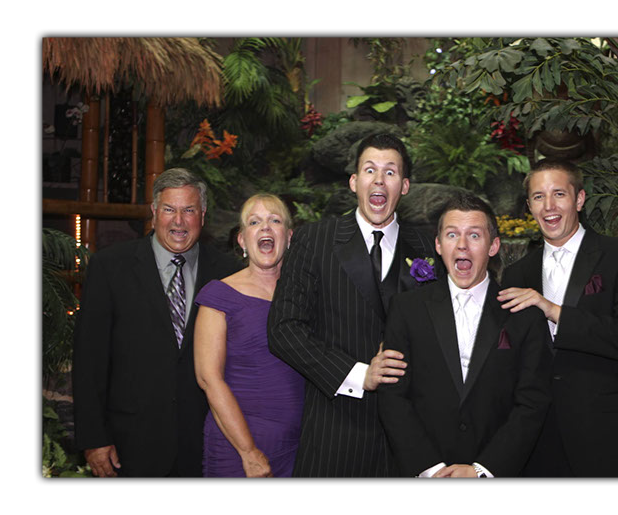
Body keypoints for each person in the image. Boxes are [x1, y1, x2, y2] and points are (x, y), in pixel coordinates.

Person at [267, 133, 442, 477]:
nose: (379, 180)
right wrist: (360, 375)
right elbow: (283, 330)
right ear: (353, 181)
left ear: (405, 186)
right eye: (370, 170)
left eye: (390, 172)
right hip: (335, 435)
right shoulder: (315, 239)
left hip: (408, 444)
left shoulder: (428, 246)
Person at [72, 168, 242, 477]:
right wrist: (94, 438)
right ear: (153, 212)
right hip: (130, 445)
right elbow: (89, 360)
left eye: (189, 210)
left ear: (202, 215)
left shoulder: (228, 273)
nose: (179, 221)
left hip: (207, 445)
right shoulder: (110, 267)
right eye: (169, 210)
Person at [497, 159, 618, 477]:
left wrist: (554, 311)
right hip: (540, 444)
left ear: (579, 199)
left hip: (609, 440)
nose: (549, 206)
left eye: (559, 194)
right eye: (539, 197)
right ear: (529, 206)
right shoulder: (517, 273)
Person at [377, 192, 552, 477]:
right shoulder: (406, 309)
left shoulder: (524, 315)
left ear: (493, 246)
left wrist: (483, 470)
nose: (462, 245)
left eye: (474, 235)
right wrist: (431, 469)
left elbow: (532, 403)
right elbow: (393, 396)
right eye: (452, 234)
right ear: (438, 244)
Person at [194, 194, 304, 478]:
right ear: (242, 240)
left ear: (288, 236)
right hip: (239, 448)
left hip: (300, 448)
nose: (265, 227)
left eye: (275, 220)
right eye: (254, 222)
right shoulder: (219, 295)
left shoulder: (304, 295)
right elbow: (209, 379)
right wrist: (248, 452)